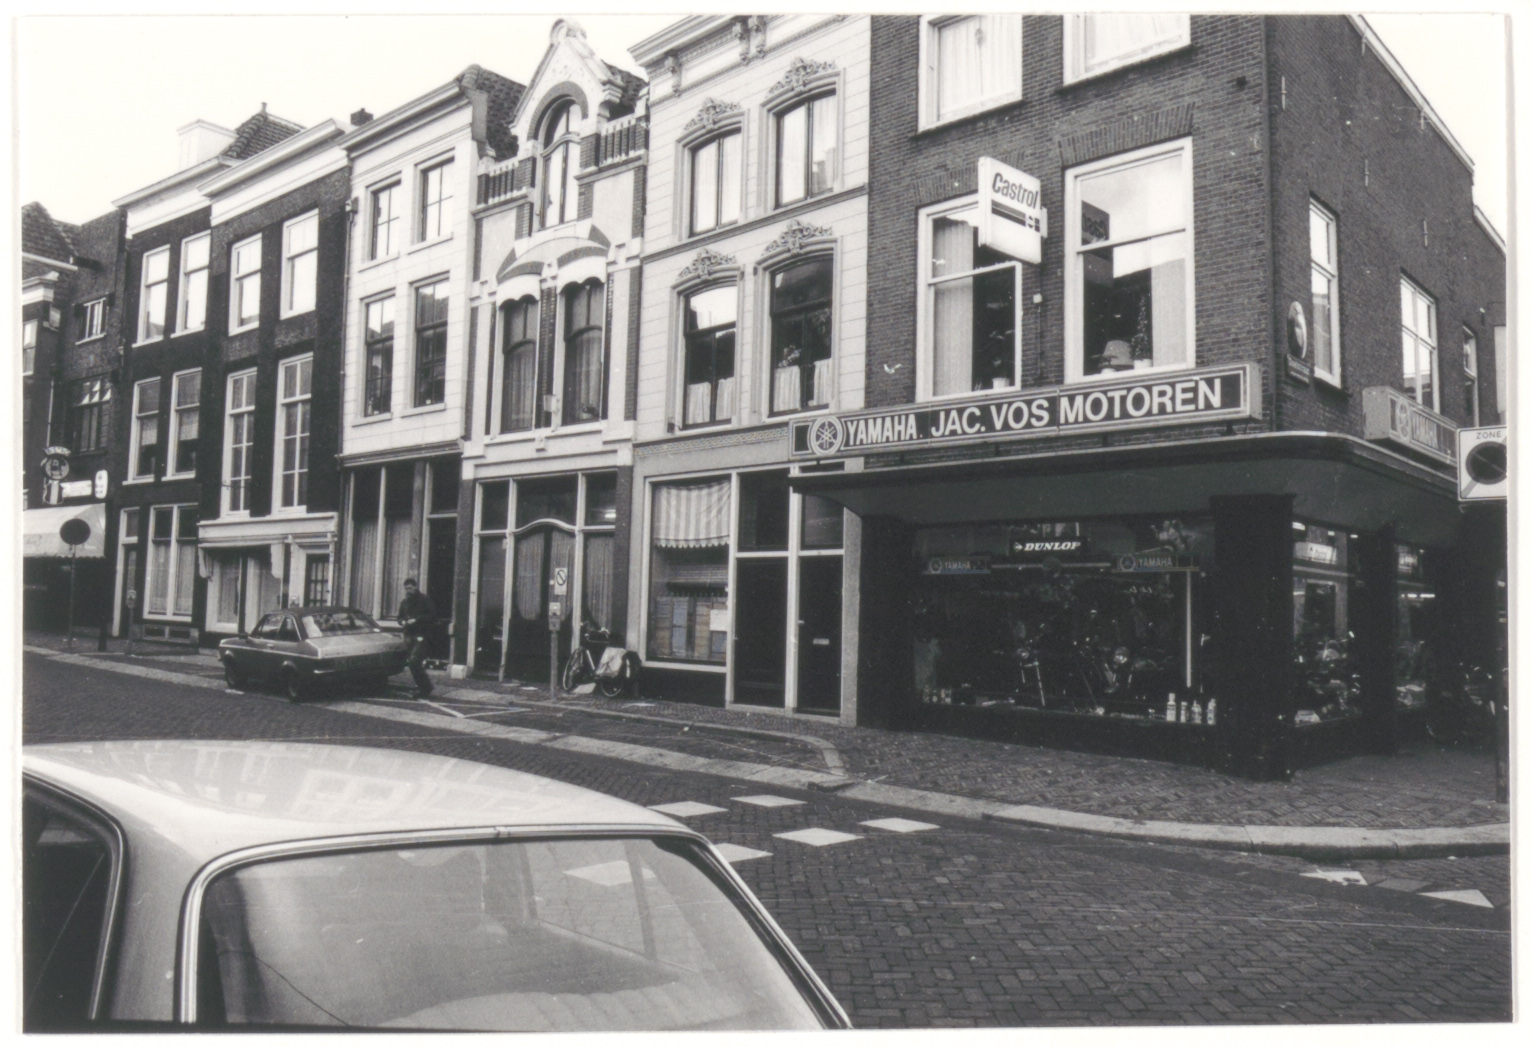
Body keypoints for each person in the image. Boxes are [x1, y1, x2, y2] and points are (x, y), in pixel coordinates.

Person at [398, 578, 436, 697]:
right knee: (412, 662)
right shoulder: (404, 602)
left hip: (421, 634)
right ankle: (422, 686)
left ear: (415, 587)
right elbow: (399, 617)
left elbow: (432, 615)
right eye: (406, 589)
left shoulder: (424, 599)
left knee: (414, 661)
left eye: (410, 588)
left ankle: (426, 688)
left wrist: (417, 619)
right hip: (409, 635)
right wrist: (402, 622)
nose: (408, 591)